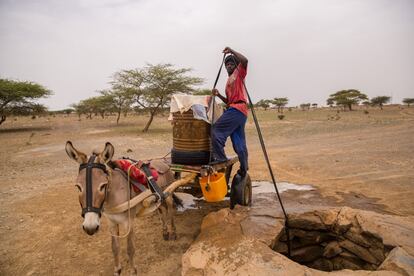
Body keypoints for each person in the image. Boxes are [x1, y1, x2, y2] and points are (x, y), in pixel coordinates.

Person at [211, 47, 249, 176]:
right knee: (238, 142)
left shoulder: (239, 73)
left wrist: (232, 50)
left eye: (232, 63)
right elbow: (229, 101)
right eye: (227, 64)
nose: (229, 66)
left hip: (237, 110)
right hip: (238, 111)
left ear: (236, 65)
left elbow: (245, 60)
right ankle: (244, 168)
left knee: (216, 130)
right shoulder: (229, 81)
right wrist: (219, 95)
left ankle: (220, 158)